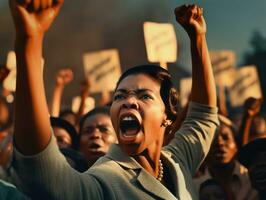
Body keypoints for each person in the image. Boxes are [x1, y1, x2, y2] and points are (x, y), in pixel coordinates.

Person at [11, 1, 218, 199]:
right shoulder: (105, 181)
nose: (128, 102)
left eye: (144, 95)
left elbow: (202, 117)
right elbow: (43, 175)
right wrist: (30, 41)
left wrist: (198, 38)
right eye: (119, 96)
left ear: (167, 116)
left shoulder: (178, 160)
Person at [194, 115, 258, 200]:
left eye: (225, 138)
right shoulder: (193, 188)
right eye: (212, 139)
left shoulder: (253, 181)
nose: (219, 143)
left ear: (236, 145)